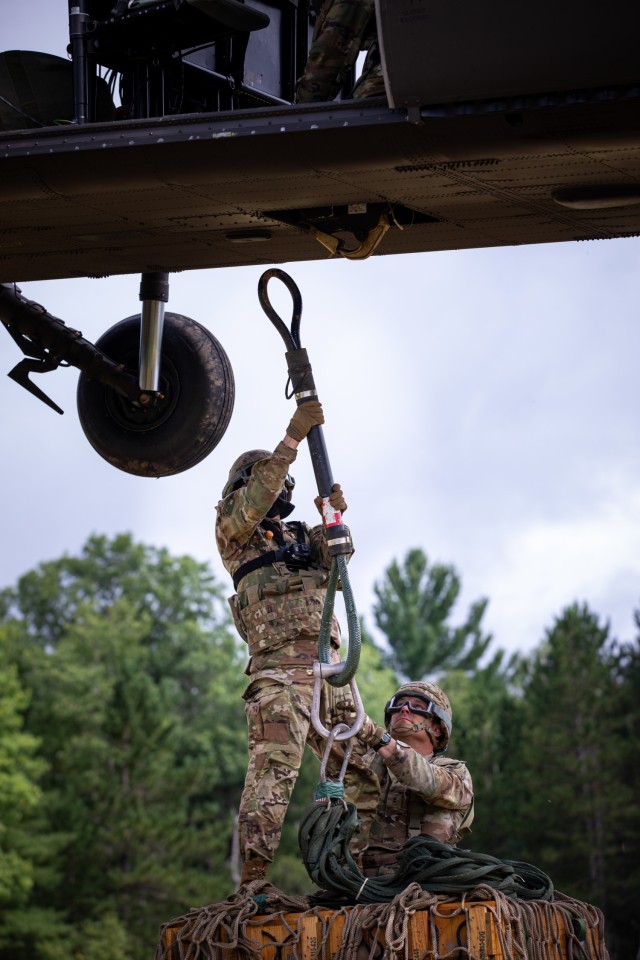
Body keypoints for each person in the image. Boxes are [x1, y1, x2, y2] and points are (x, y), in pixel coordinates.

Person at [215, 400, 379, 886]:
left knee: (366, 774)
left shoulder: (295, 535)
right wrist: (293, 437)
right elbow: (255, 499)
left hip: (330, 673)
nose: (279, 490)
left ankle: (366, 871)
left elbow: (337, 568)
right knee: (273, 777)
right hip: (280, 676)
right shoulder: (234, 530)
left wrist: (335, 523)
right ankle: (255, 884)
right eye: (272, 481)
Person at [343, 680, 474, 876]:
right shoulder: (363, 763)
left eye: (418, 707)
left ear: (437, 728)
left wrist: (377, 737)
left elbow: (424, 779)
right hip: (353, 881)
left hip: (419, 884)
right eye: (399, 704)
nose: (404, 709)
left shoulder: (456, 772)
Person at [295, 0, 385, 103]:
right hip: (401, 81)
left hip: (392, 91)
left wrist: (303, 104)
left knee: (369, 94)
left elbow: (328, 54)